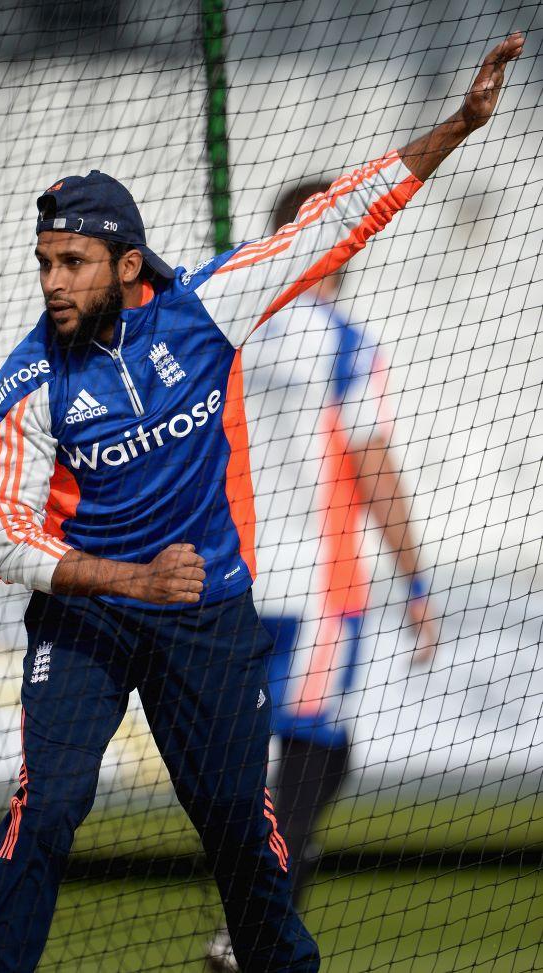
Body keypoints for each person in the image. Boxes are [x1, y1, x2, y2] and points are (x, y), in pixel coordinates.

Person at [0, 34, 523, 973]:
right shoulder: (27, 383)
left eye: (73, 262)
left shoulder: (211, 307)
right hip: (85, 618)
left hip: (206, 615)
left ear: (128, 267)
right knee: (43, 811)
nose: (53, 281)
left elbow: (337, 221)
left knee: (241, 831)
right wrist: (129, 574)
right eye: (45, 261)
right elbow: (2, 539)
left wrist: (457, 123)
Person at [205, 182, 440, 972]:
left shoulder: (222, 332)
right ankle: (251, 933)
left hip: (230, 580)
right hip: (320, 587)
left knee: (277, 759)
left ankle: (247, 917)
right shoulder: (343, 344)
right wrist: (415, 584)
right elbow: (373, 469)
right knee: (308, 759)